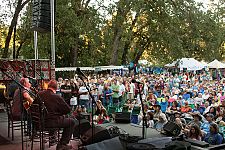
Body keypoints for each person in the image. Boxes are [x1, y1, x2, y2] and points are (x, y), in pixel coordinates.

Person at [38, 79, 78, 150]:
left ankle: (54, 139)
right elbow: (68, 110)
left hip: (40, 122)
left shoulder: (39, 94)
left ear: (48, 86)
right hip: (51, 122)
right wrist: (60, 113)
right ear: (56, 88)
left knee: (60, 117)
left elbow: (33, 108)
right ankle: (62, 144)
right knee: (72, 122)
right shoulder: (56, 97)